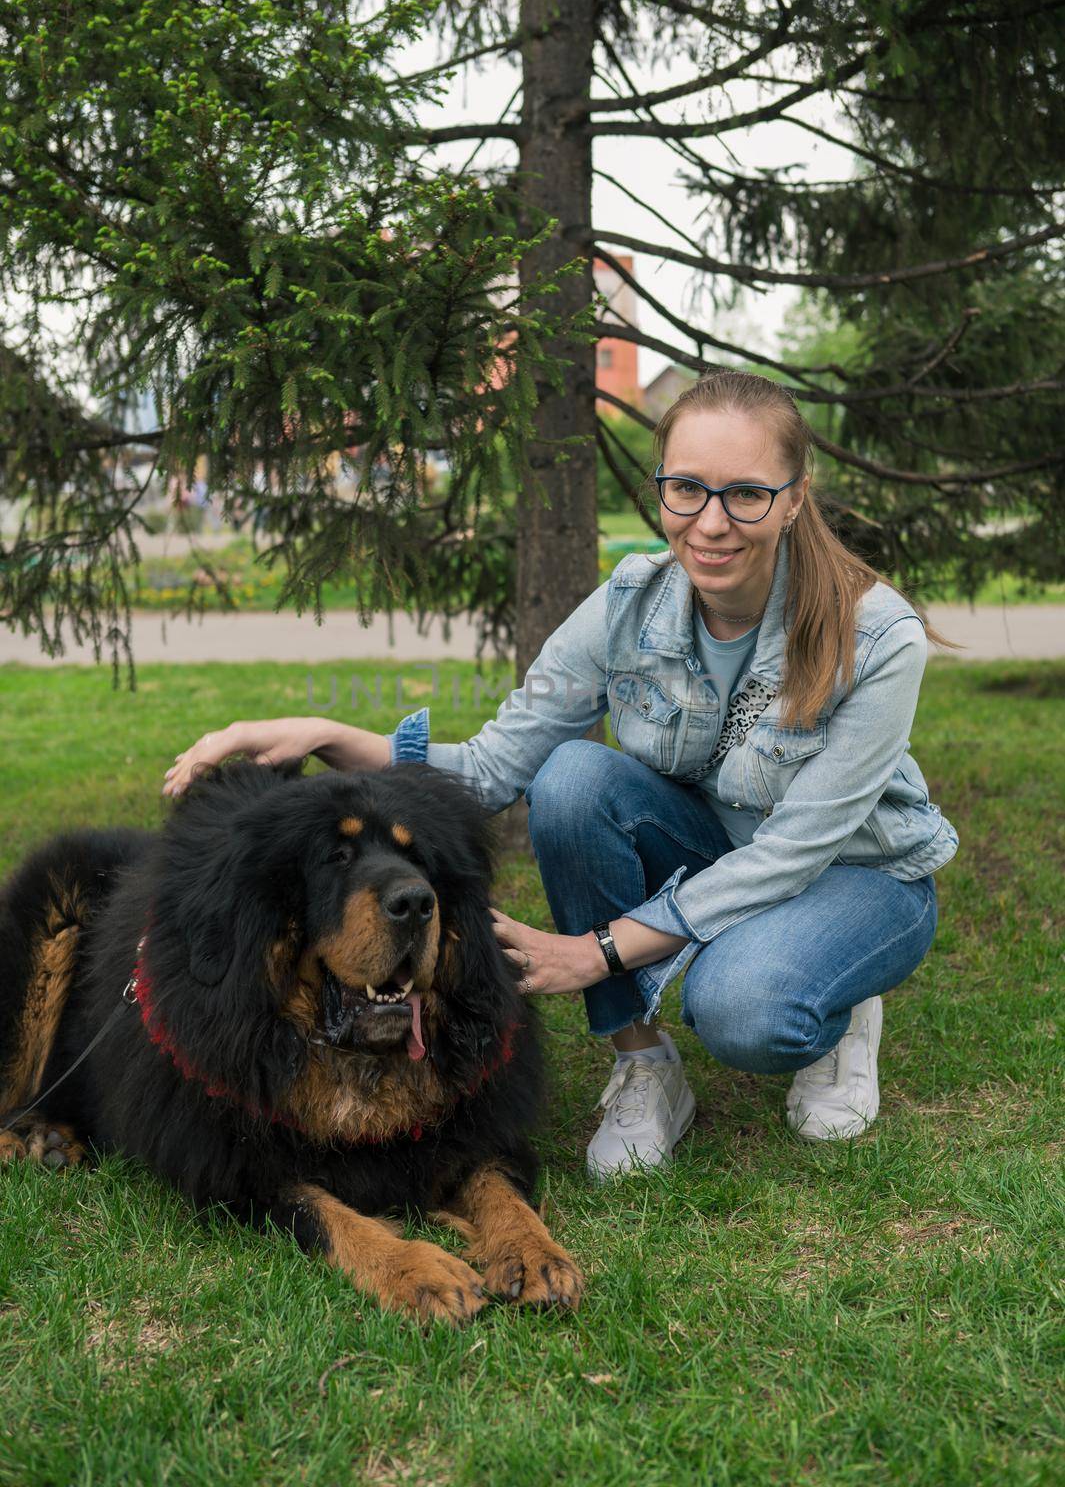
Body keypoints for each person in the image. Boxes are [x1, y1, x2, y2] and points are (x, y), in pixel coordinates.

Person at [163, 371, 958, 1181]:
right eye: (685, 490)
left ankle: (838, 1003)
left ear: (793, 498)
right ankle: (643, 1061)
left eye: (745, 495)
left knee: (740, 1010)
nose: (710, 524)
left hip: (855, 876)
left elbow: (793, 851)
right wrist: (328, 733)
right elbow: (490, 769)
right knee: (572, 776)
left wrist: (597, 951)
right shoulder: (626, 605)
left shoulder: (877, 635)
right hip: (715, 849)